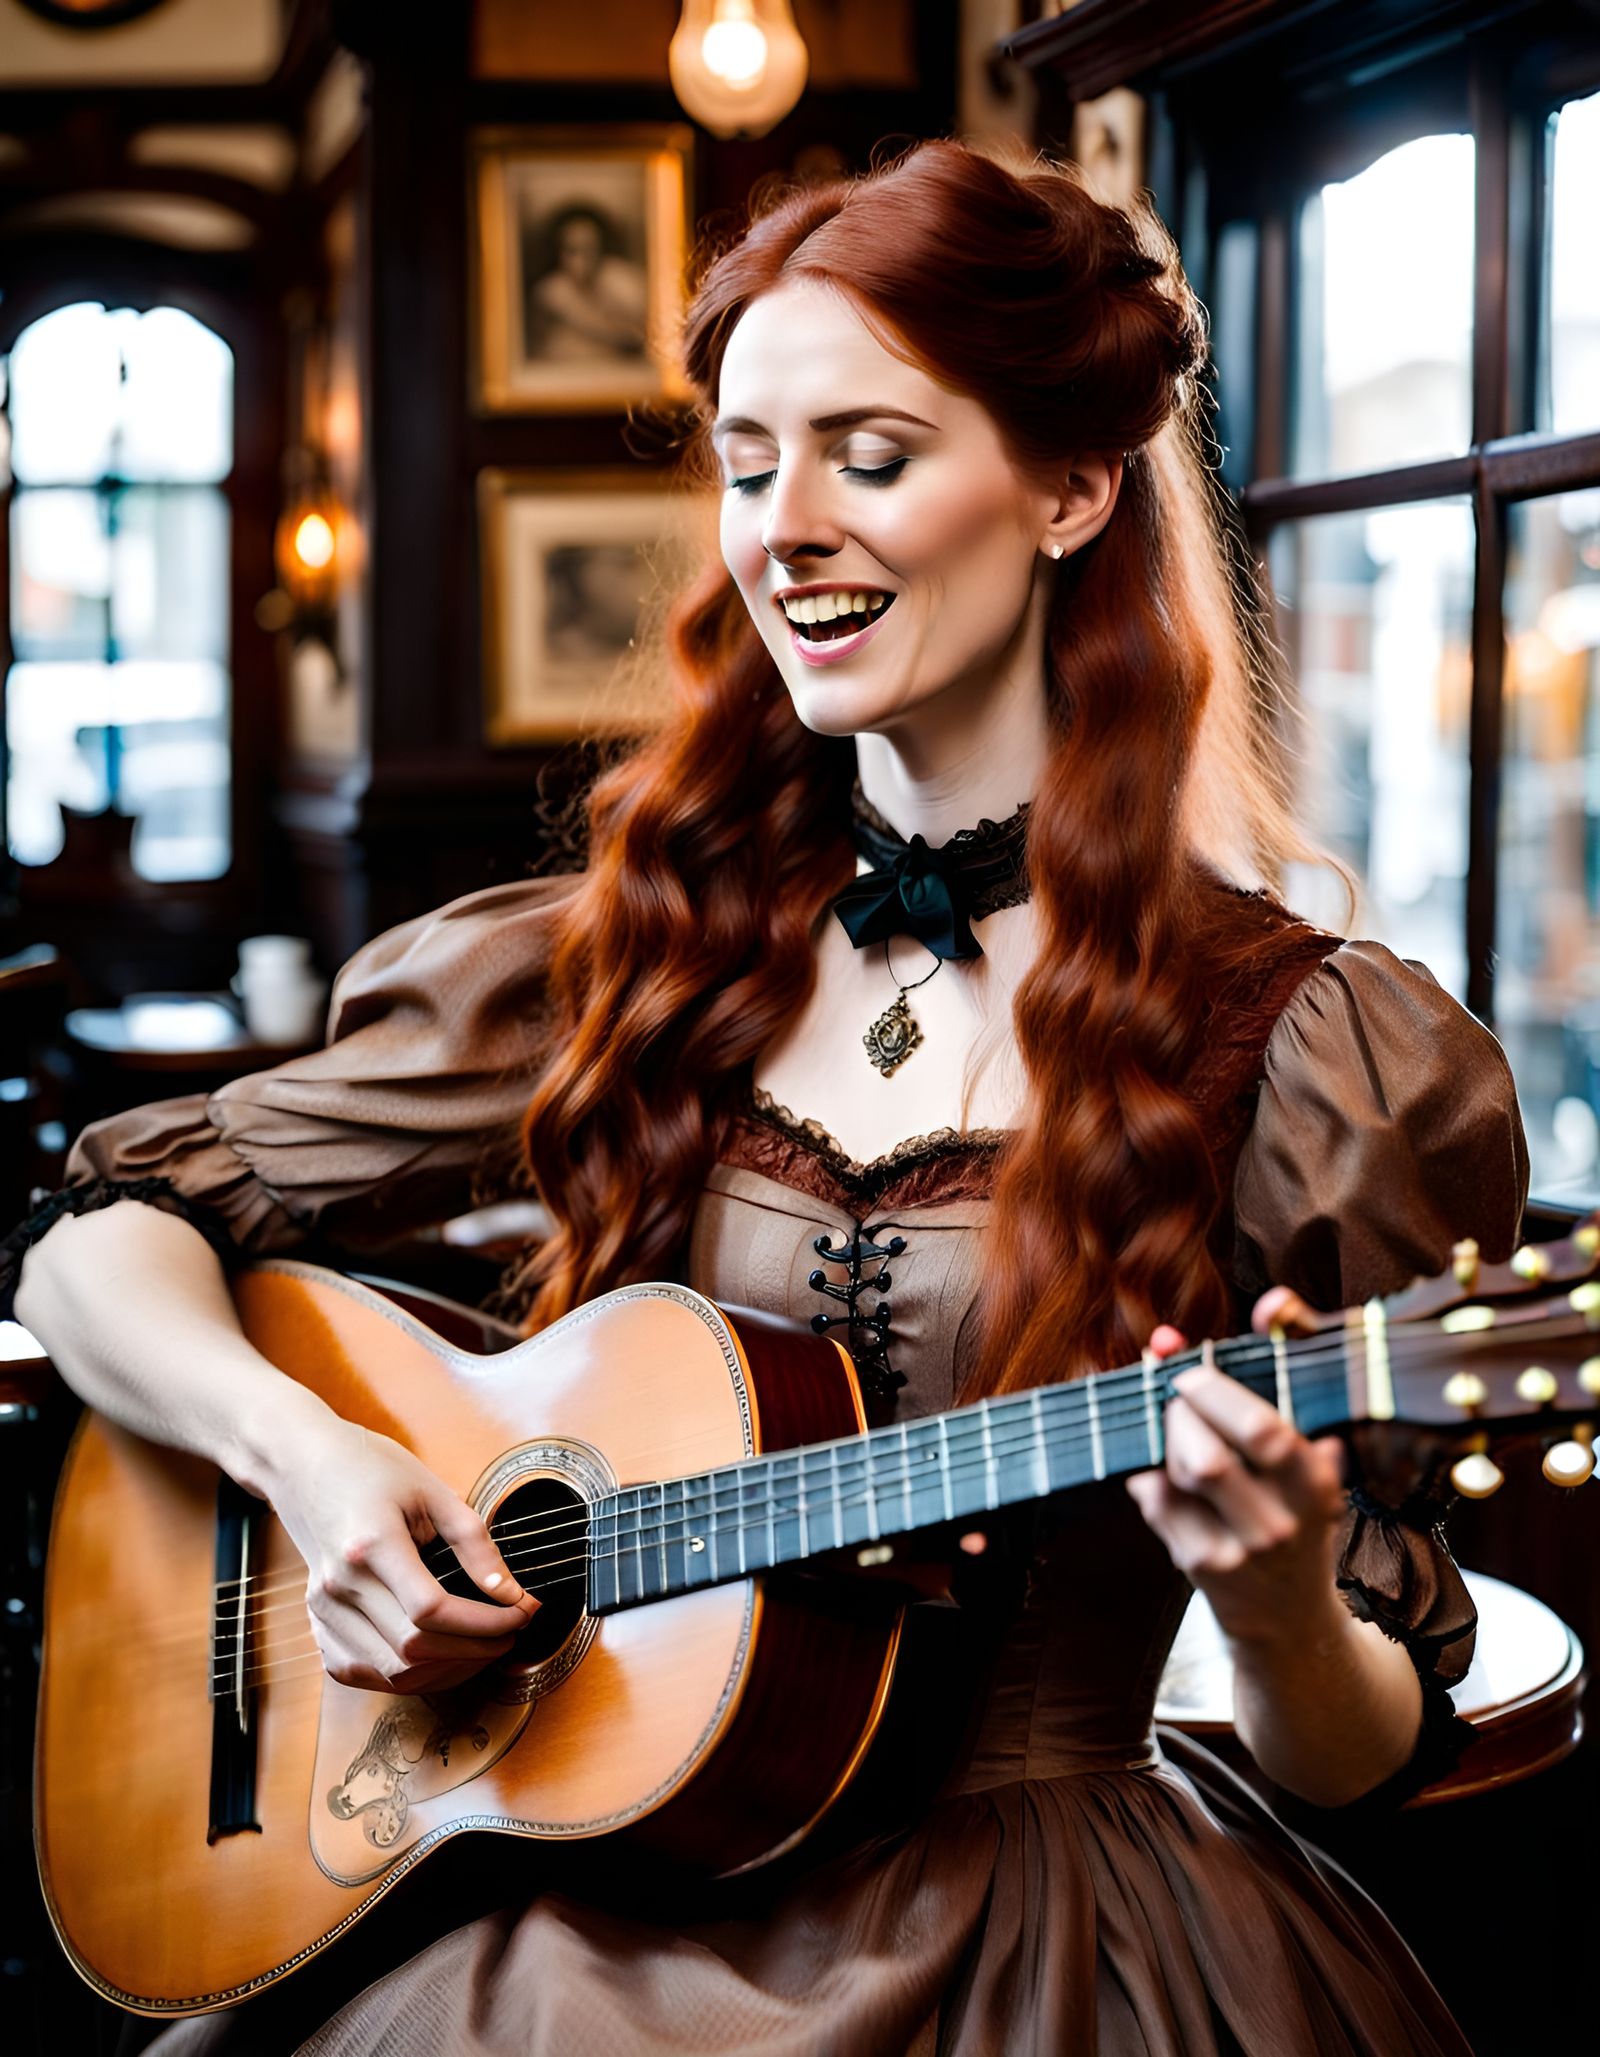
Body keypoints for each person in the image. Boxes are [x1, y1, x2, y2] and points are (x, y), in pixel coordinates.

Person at [9, 141, 1529, 2055]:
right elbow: (92, 1242)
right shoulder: (632, 954)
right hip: (591, 1898)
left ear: (1071, 489)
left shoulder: (1311, 1046)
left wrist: (1291, 1595)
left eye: (870, 456)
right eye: (745, 463)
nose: (782, 525)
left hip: (1045, 1936)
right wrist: (313, 1466)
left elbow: (1351, 1761)